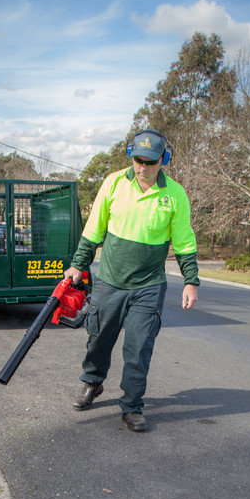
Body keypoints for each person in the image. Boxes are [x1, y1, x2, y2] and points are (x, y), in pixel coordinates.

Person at [64, 129, 199, 432]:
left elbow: (184, 242)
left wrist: (191, 281)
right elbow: (93, 229)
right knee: (98, 337)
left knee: (139, 347)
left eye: (150, 162)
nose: (143, 168)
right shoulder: (113, 183)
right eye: (138, 161)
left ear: (164, 159)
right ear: (131, 156)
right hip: (110, 281)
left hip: (148, 285)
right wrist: (77, 265)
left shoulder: (174, 195)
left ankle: (132, 405)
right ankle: (92, 382)